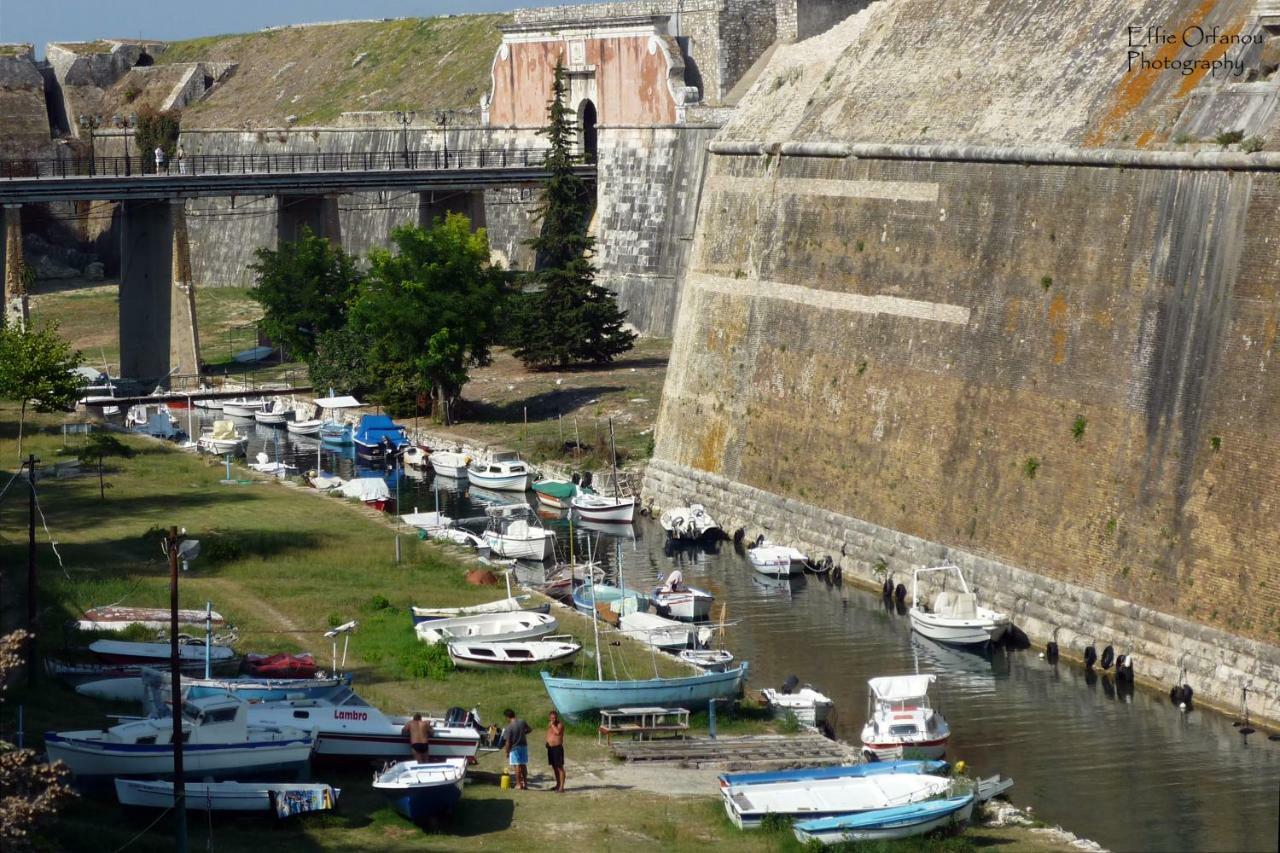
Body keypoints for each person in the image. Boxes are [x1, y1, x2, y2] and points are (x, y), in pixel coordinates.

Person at [501, 708, 532, 790]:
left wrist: (507, 752)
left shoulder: (509, 727)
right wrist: (523, 733)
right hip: (523, 746)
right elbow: (529, 729)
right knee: (523, 764)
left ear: (507, 717)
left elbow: (507, 742)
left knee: (517, 765)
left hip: (515, 748)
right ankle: (525, 783)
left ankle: (519, 784)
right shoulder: (522, 722)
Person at [545, 710, 566, 792]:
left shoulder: (559, 724)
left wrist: (552, 725)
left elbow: (557, 732)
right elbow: (550, 734)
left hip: (557, 748)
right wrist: (547, 742)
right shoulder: (550, 725)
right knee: (554, 767)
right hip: (550, 748)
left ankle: (561, 787)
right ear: (549, 718)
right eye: (551, 718)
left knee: (560, 767)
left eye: (554, 718)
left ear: (557, 718)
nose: (553, 719)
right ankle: (557, 784)